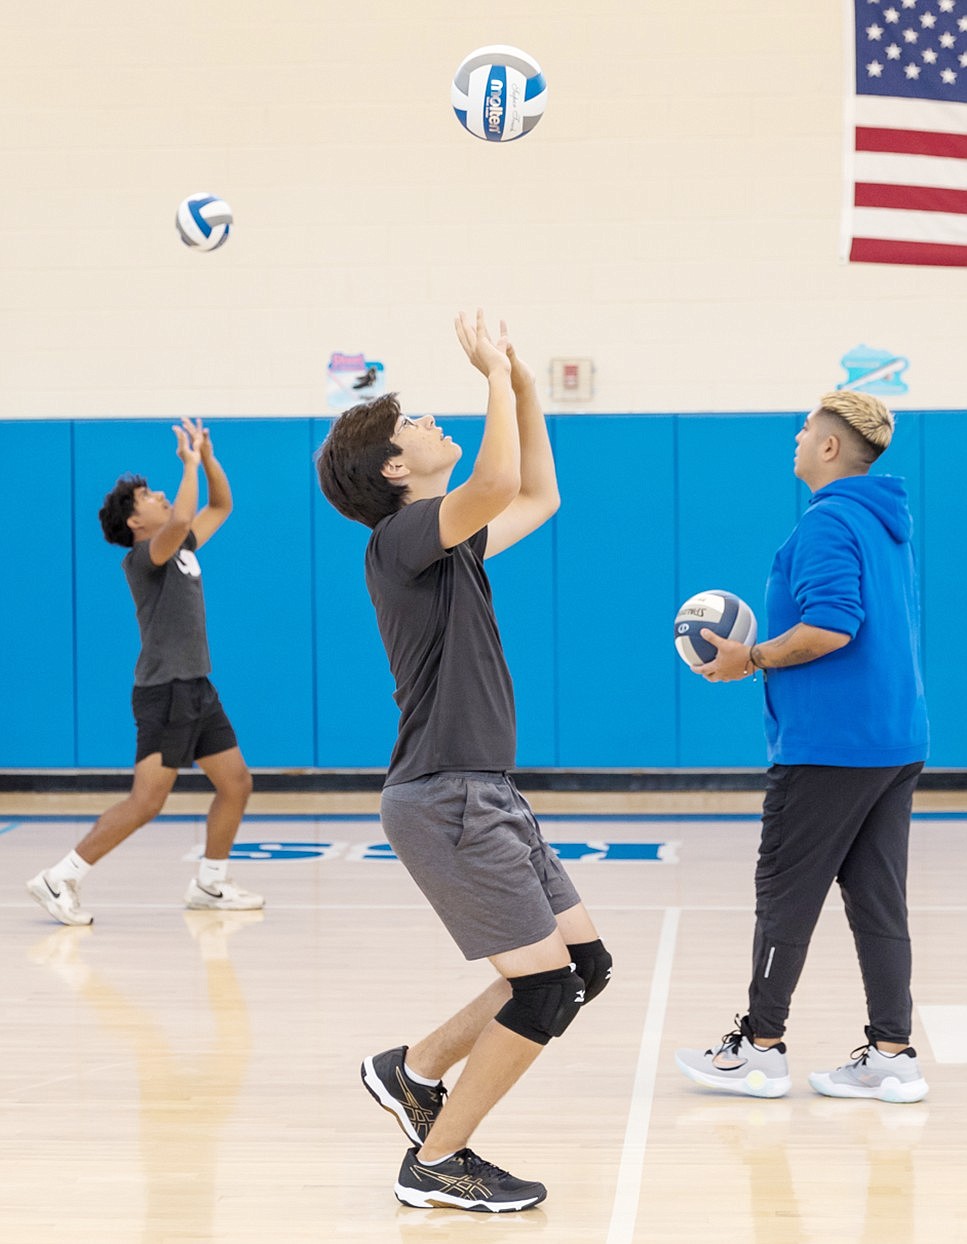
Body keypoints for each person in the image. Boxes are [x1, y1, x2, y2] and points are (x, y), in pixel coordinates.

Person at [315, 310, 613, 1213]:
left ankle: (411, 1069)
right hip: (446, 795)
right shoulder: (399, 538)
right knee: (544, 988)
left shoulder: (445, 541)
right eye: (412, 424)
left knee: (581, 968)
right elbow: (494, 478)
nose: (427, 421)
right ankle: (439, 1160)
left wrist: (521, 381)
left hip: (482, 790)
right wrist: (487, 373)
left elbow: (534, 494)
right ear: (395, 470)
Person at [675, 390, 929, 1104]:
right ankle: (891, 1054)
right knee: (878, 902)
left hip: (829, 745)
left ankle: (759, 1048)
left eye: (806, 430)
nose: (795, 436)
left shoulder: (826, 524)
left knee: (784, 895)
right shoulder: (883, 522)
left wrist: (746, 658)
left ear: (828, 448)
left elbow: (831, 627)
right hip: (892, 739)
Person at [27, 418, 263, 927]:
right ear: (136, 523)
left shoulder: (180, 546)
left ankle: (210, 882)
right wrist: (189, 464)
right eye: (149, 496)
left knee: (237, 782)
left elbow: (219, 505)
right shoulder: (145, 555)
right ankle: (60, 876)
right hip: (165, 693)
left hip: (198, 688)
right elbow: (181, 516)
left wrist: (208, 454)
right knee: (148, 800)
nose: (159, 497)